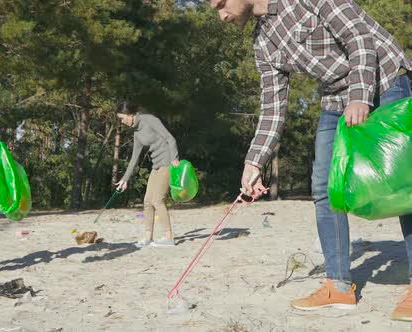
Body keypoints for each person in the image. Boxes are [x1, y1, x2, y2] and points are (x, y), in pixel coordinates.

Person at [209, 0, 412, 320]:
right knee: (324, 186)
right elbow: (272, 109)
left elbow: (359, 37)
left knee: (404, 185)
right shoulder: (263, 44)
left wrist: (360, 95)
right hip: (337, 98)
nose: (221, 16)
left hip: (384, 78)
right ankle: (340, 287)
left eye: (221, 4)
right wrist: (254, 162)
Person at [115, 100, 180, 248]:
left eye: (122, 118)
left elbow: (170, 138)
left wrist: (175, 158)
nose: (122, 122)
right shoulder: (137, 133)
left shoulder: (150, 120)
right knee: (147, 201)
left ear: (130, 114)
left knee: (157, 200)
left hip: (167, 162)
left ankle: (169, 238)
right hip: (156, 165)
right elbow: (134, 159)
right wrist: (124, 179)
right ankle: (148, 238)